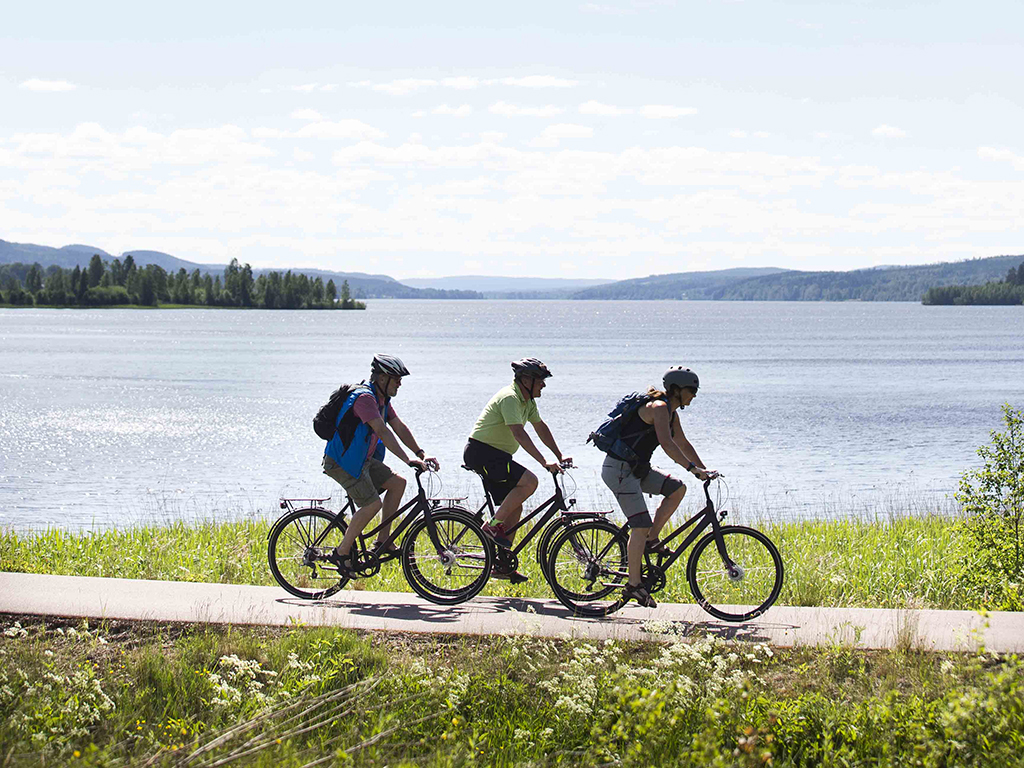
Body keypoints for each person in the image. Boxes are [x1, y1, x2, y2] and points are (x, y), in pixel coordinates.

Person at [598, 366, 717, 608]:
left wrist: (703, 470)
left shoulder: (671, 412)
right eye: (691, 390)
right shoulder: (659, 408)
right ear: (676, 390)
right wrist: (691, 468)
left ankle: (652, 539)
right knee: (639, 525)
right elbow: (668, 445)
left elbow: (682, 442)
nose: (694, 395)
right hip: (619, 471)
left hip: (636, 469)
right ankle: (633, 585)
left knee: (677, 489)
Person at [322, 354, 437, 573]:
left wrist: (420, 453)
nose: (400, 383)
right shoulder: (365, 399)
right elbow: (382, 430)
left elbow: (398, 427)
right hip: (342, 462)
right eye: (396, 379)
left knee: (398, 483)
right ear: (382, 379)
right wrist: (406, 459)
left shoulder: (381, 400)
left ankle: (383, 542)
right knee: (372, 505)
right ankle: (342, 553)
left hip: (361, 460)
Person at [463, 357, 571, 583]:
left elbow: (540, 428)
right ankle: (491, 527)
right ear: (526, 380)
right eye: (540, 381)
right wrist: (544, 462)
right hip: (483, 452)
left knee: (515, 508)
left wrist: (559, 455)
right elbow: (519, 433)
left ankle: (502, 564)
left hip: (496, 456)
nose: (543, 385)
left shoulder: (527, 401)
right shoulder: (511, 398)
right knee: (530, 482)